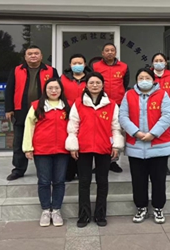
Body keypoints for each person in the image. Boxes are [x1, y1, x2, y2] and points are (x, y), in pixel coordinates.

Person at [66, 72, 124, 228]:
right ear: (86, 85)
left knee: (102, 181)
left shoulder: (111, 104)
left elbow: (115, 127)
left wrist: (116, 145)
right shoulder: (78, 103)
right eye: (91, 82)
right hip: (83, 148)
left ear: (103, 85)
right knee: (84, 182)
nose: (95, 85)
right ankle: (84, 215)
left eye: (98, 82)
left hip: (104, 147)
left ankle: (100, 214)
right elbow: (73, 126)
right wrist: (73, 145)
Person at [119, 68, 170, 224]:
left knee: (159, 180)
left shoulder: (162, 94)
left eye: (147, 78)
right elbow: (123, 116)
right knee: (138, 180)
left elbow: (168, 115)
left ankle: (158, 207)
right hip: (136, 146)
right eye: (141, 78)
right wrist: (136, 132)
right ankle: (141, 207)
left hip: (159, 145)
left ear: (153, 80)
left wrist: (153, 133)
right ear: (136, 80)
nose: (144, 80)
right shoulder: (129, 95)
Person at [4, 45, 59, 181]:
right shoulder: (17, 70)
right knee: (19, 142)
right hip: (21, 110)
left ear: (41, 56)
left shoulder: (51, 70)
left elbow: (57, 89)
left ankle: (47, 169)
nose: (33, 56)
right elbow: (9, 89)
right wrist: (9, 109)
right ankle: (18, 169)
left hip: (44, 110)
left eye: (36, 53)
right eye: (30, 54)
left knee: (45, 140)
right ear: (25, 56)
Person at [23, 78, 71, 227]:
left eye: (57, 88)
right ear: (45, 90)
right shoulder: (37, 105)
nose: (54, 91)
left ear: (61, 90)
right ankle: (45, 210)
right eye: (50, 88)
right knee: (44, 181)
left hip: (62, 150)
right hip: (42, 150)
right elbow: (29, 127)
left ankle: (56, 210)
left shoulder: (68, 106)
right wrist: (28, 148)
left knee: (59, 181)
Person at [93, 43, 129, 173]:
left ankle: (113, 161)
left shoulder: (124, 67)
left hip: (118, 104)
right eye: (107, 50)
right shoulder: (96, 66)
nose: (109, 52)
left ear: (115, 52)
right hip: (100, 103)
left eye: (112, 50)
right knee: (100, 132)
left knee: (116, 131)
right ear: (102, 53)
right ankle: (99, 162)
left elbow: (125, 84)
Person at [151, 53, 170, 176]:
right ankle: (152, 165)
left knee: (166, 140)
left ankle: (164, 165)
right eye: (156, 60)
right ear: (152, 63)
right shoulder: (147, 75)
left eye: (161, 60)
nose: (159, 62)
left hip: (168, 114)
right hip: (151, 112)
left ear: (166, 62)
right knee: (152, 138)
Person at [61, 54, 90, 182]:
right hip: (67, 114)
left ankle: (81, 171)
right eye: (74, 63)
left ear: (85, 65)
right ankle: (69, 171)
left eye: (80, 63)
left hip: (86, 115)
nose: (77, 65)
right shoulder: (63, 78)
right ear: (70, 65)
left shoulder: (90, 78)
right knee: (69, 141)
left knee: (83, 142)